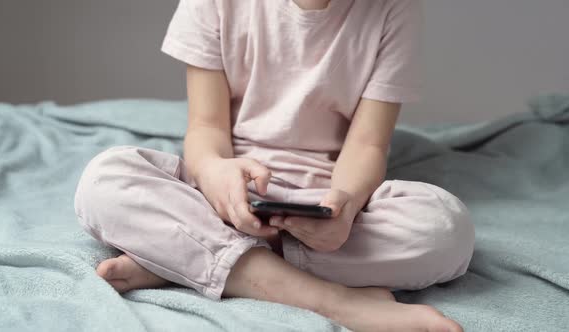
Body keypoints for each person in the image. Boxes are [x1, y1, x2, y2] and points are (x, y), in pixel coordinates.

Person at [74, 1, 474, 331]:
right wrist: (214, 171)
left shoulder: (393, 9)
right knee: (105, 177)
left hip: (323, 197)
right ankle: (335, 301)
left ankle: (181, 257)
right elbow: (206, 128)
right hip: (220, 193)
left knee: (446, 228)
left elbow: (368, 144)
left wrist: (346, 206)